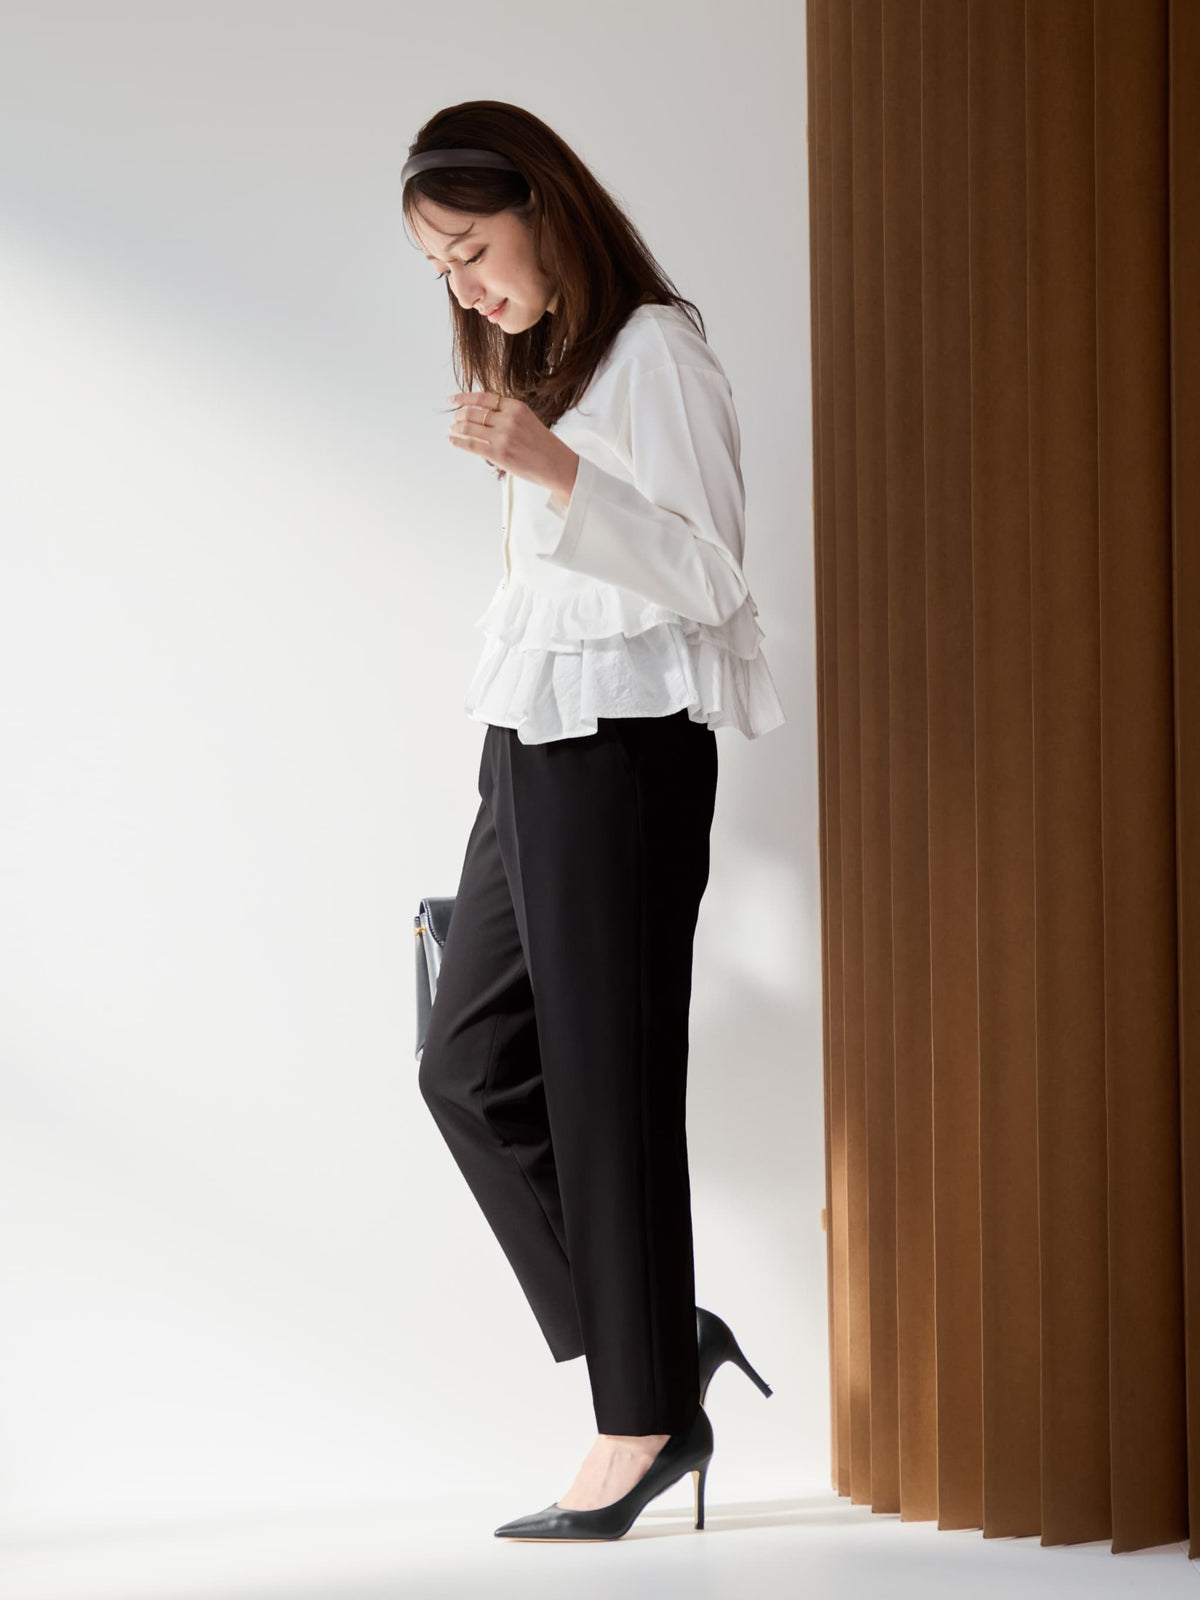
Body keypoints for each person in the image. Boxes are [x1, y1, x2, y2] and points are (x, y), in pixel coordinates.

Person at [404, 100, 783, 1542]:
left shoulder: (655, 353)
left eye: (471, 249)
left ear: (543, 207)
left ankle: (640, 1419)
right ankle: (659, 1349)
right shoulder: (551, 363)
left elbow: (711, 574)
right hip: (531, 742)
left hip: (623, 753)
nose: (464, 287)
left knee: (604, 1086)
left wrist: (555, 468)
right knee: (466, 1067)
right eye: (440, 269)